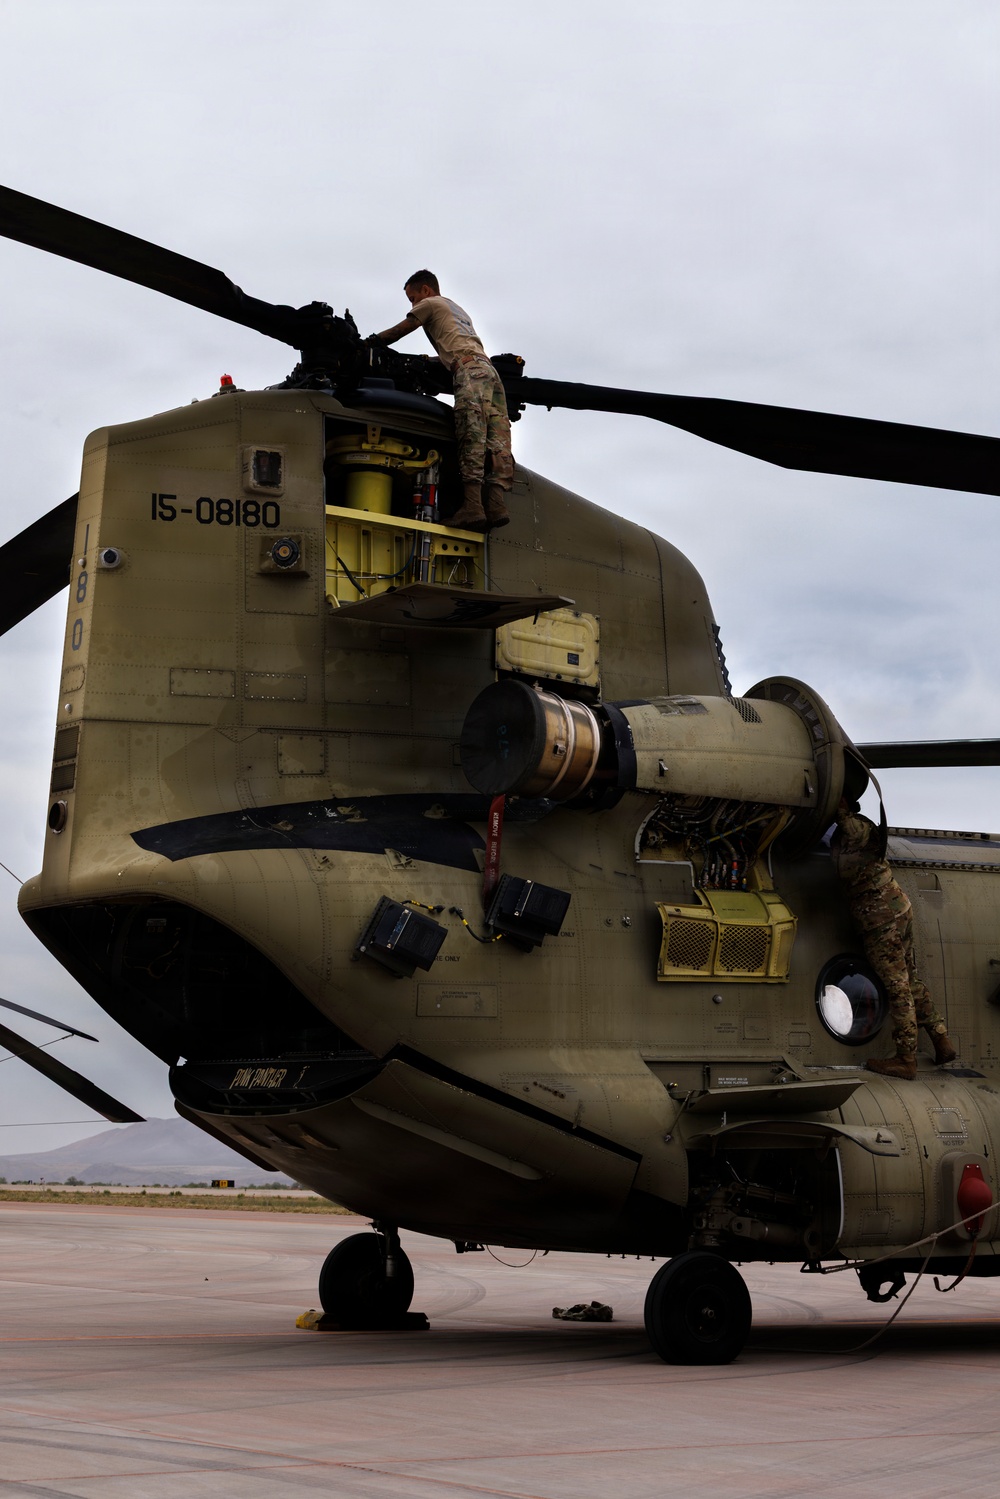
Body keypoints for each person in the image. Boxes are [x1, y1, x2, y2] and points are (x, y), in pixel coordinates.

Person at [371, 271, 514, 532]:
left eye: (413, 298)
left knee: (471, 432)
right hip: (489, 372)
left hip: (469, 372)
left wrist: (371, 343)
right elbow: (456, 345)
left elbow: (402, 329)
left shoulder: (430, 304)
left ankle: (472, 507)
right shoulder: (456, 308)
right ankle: (496, 504)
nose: (413, 305)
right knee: (497, 441)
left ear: (426, 290)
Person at [832, 797, 956, 1080]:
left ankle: (905, 1059)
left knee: (896, 985)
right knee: (909, 978)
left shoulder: (858, 829)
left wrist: (836, 808)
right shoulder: (861, 830)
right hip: (895, 908)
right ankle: (941, 1039)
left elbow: (850, 830)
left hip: (879, 916)